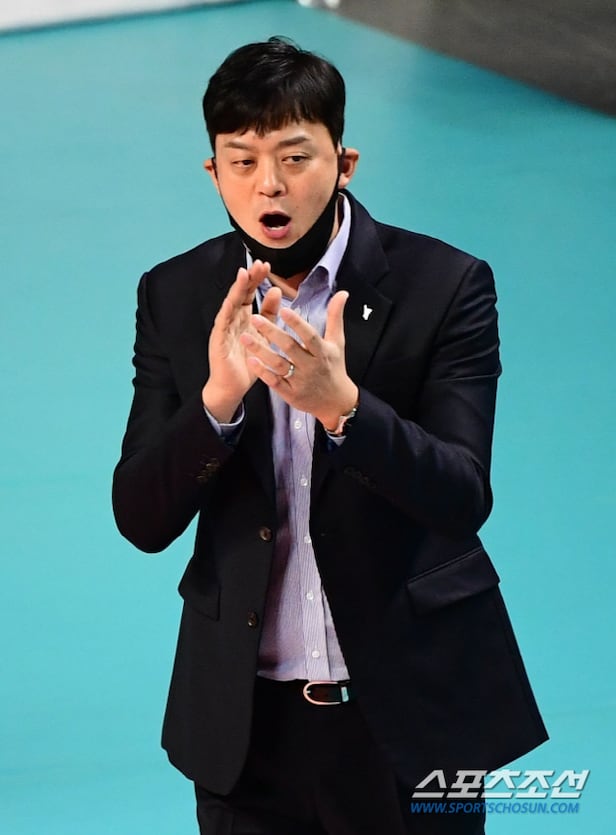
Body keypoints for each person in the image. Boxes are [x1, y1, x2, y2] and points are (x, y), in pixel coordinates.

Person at [112, 36, 547, 835]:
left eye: (294, 157)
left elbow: (461, 495)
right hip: (246, 734)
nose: (268, 185)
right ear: (213, 172)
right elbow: (140, 516)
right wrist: (217, 401)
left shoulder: (446, 285)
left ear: (345, 163)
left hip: (411, 722)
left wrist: (344, 407)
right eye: (242, 161)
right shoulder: (173, 295)